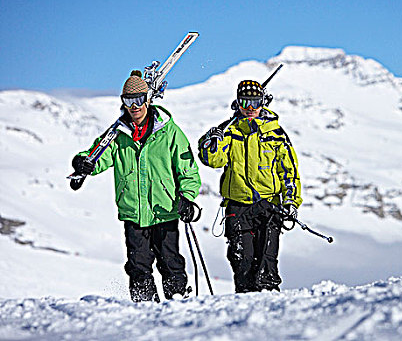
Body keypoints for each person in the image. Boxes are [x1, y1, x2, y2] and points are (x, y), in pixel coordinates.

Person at [71, 70, 201, 302]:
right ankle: (144, 307)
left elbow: (187, 168)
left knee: (170, 262)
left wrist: (188, 197)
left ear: (148, 99)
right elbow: (99, 154)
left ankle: (178, 301)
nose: (134, 106)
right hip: (134, 212)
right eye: (128, 101)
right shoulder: (118, 134)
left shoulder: (169, 131)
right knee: (138, 266)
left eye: (139, 99)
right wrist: (83, 162)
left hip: (165, 210)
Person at [197, 79, 302, 293]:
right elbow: (213, 160)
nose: (251, 108)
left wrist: (290, 202)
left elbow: (289, 172)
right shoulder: (230, 132)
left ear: (264, 102)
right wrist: (210, 142)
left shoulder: (276, 134)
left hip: (270, 206)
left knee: (267, 264)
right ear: (237, 103)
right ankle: (246, 307)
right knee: (242, 262)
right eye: (245, 102)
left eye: (255, 102)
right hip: (238, 206)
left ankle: (270, 306)